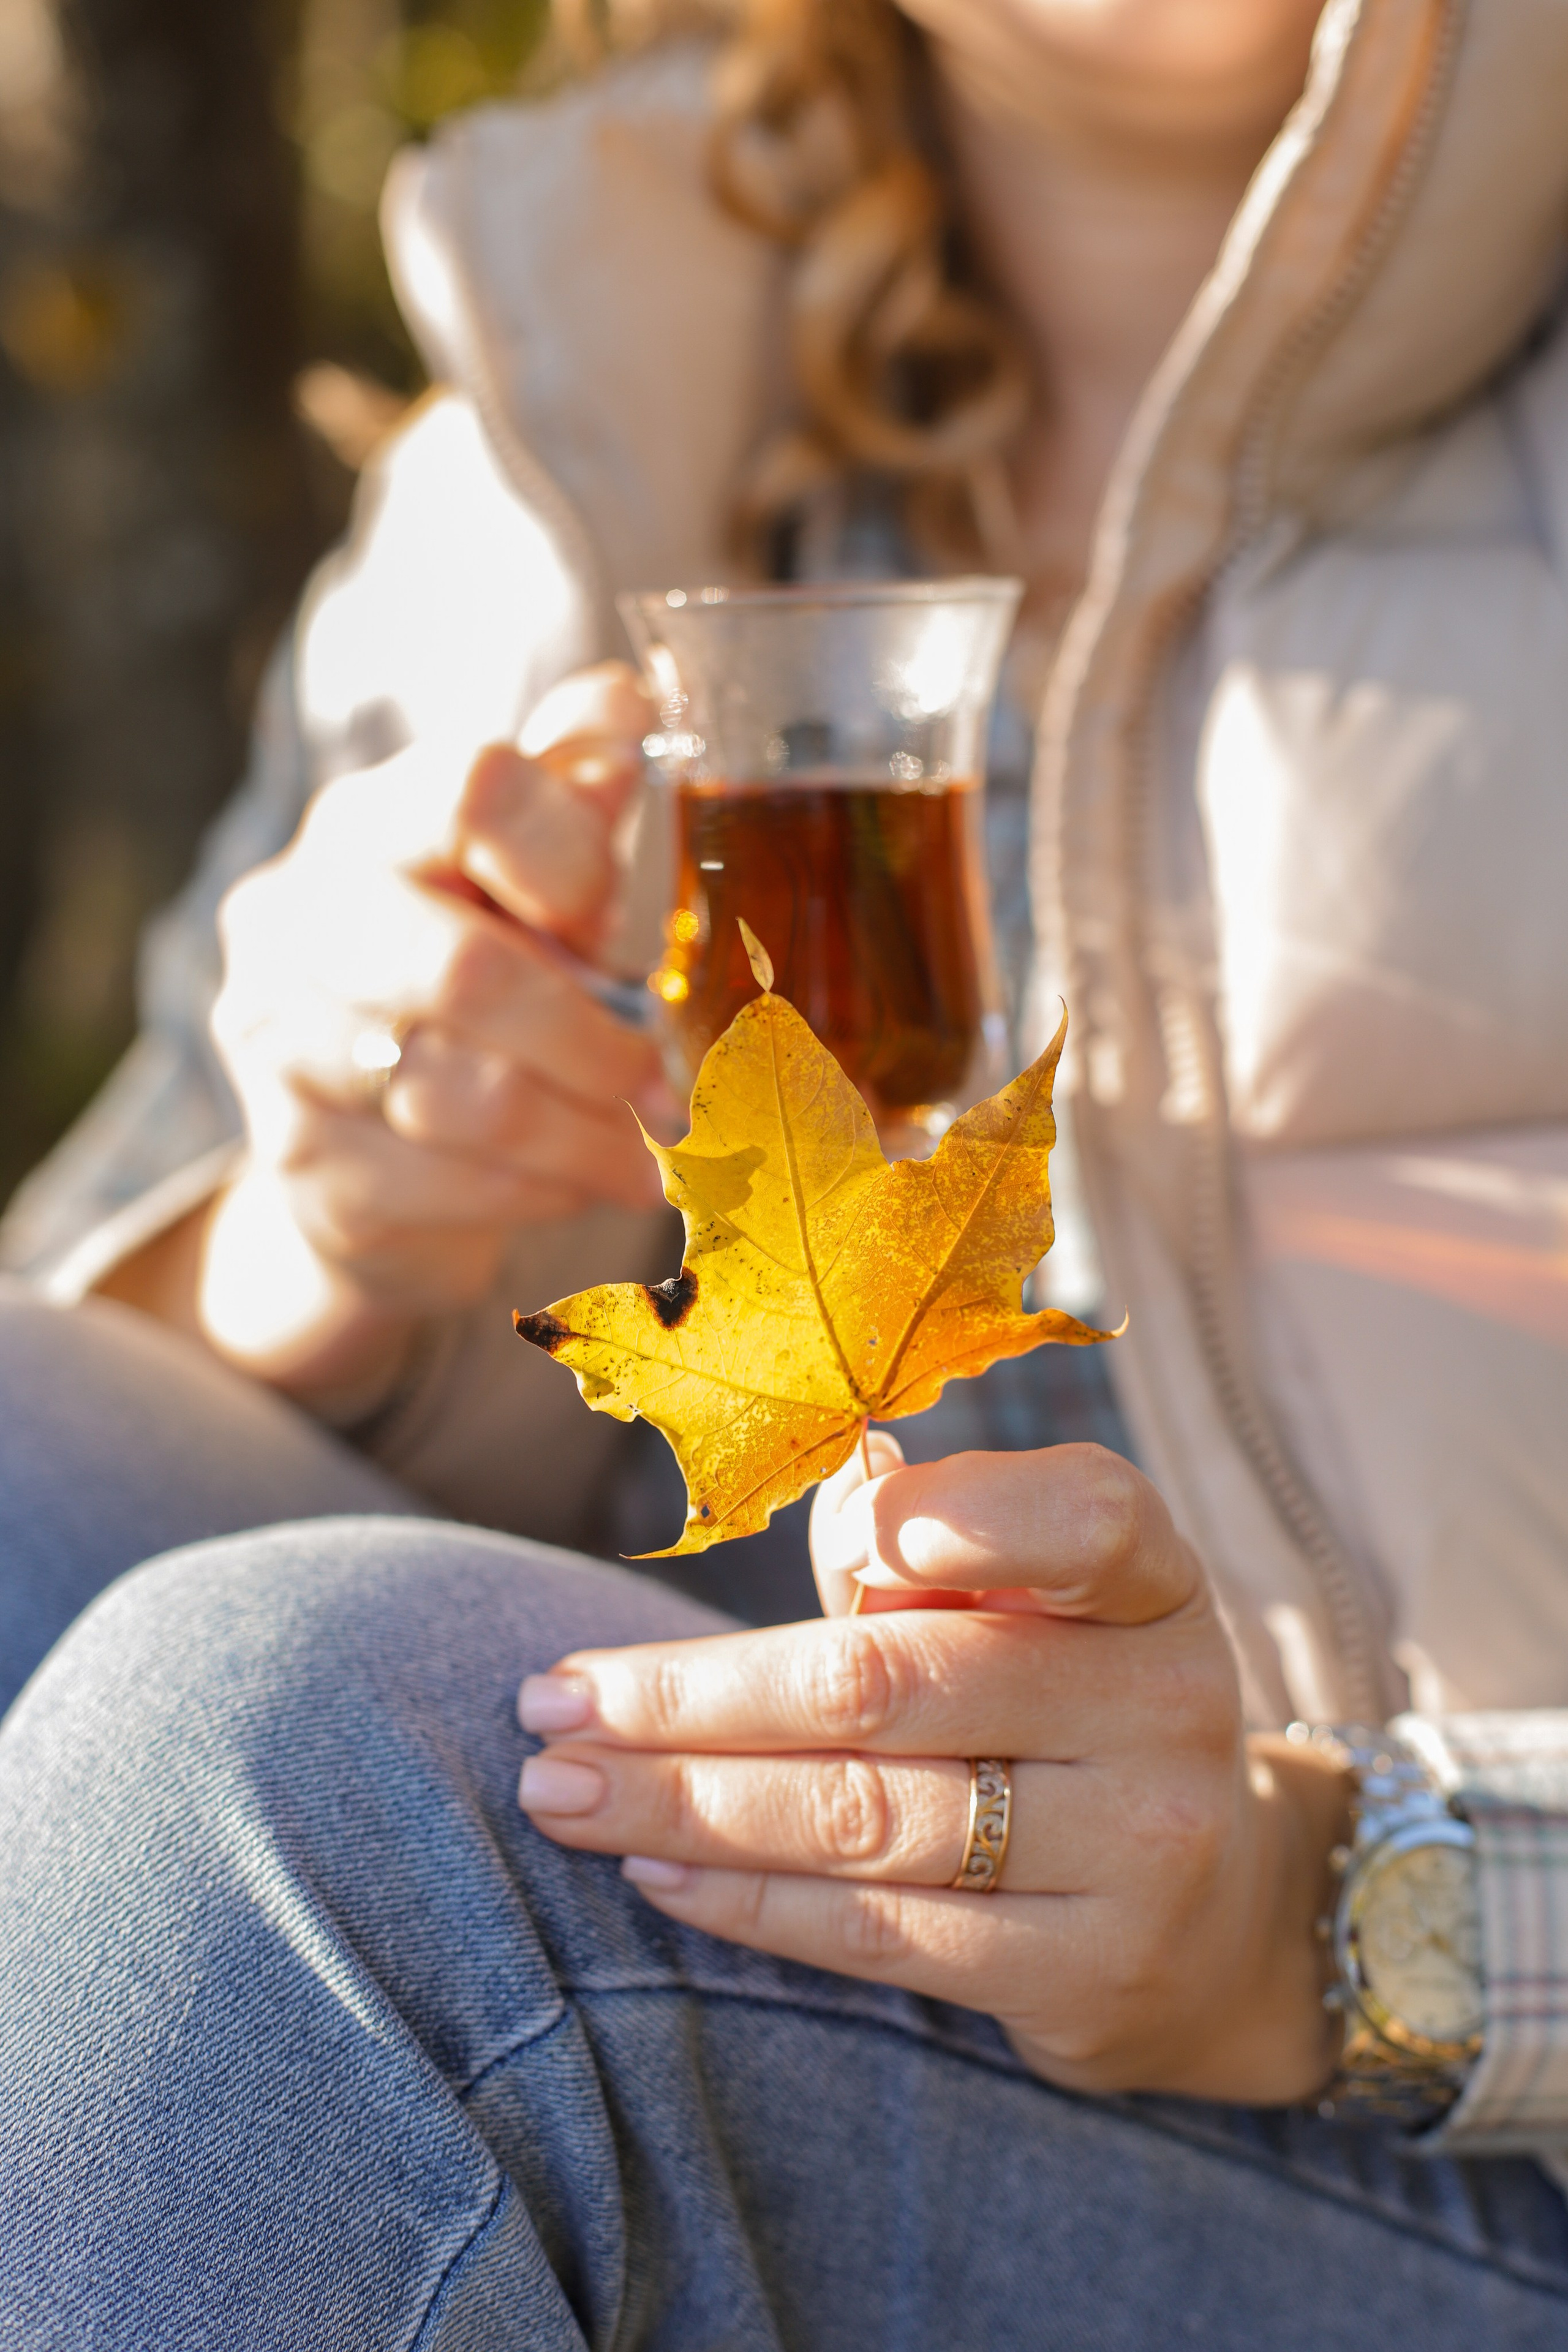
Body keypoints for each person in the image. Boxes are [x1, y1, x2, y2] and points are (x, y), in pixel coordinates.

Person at [4, 0, 1568, 2341]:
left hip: (1463, 2138)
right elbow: (91, 1343)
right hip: (809, 1974)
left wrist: (1321, 1904)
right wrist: (334, 1246)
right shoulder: (589, 355)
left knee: (294, 1760)